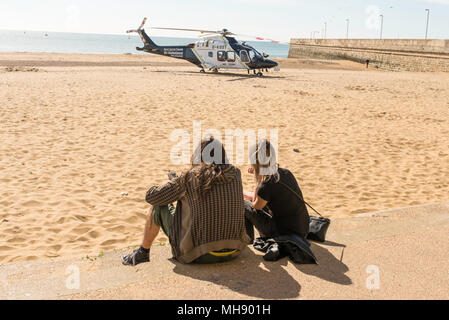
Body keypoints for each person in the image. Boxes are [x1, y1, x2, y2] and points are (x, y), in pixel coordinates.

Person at [122, 137, 249, 266]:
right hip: (234, 251)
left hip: (200, 255)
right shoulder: (235, 173)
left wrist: (173, 183)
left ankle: (142, 252)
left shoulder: (190, 177)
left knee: (158, 207)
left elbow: (151, 196)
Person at [244, 139, 309, 242]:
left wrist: (258, 179)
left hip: (287, 236)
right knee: (257, 200)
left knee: (243, 205)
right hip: (302, 230)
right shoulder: (286, 173)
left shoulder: (266, 185)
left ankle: (249, 241)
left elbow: (256, 206)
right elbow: (264, 196)